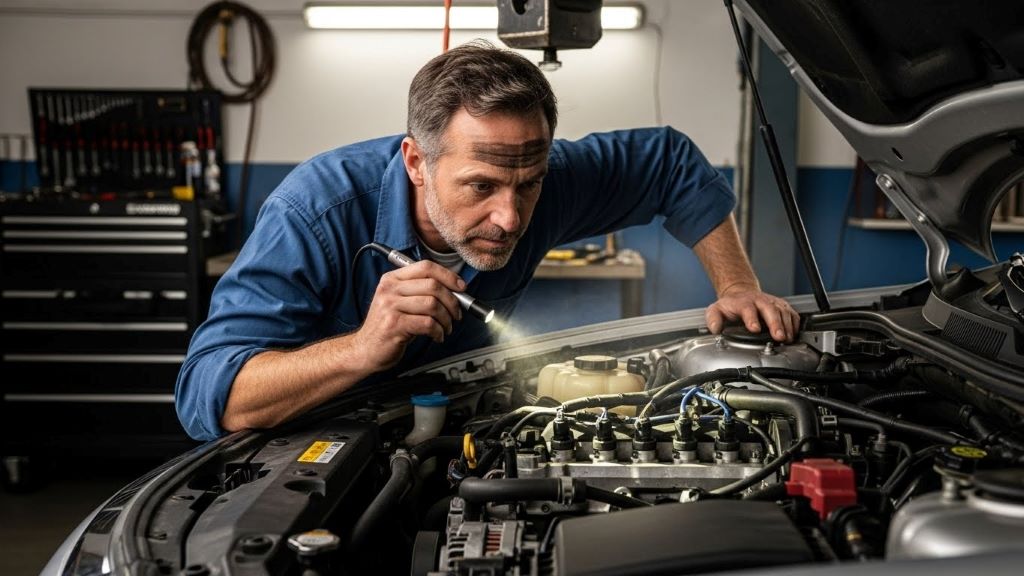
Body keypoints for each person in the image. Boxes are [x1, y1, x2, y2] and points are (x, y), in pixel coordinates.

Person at [175, 41, 799, 442]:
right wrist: (361, 350)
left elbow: (671, 162)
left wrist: (737, 285)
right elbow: (208, 395)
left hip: (456, 436)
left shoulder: (548, 180)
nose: (509, 217)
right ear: (416, 163)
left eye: (529, 184)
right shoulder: (314, 212)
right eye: (481, 186)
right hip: (324, 453)